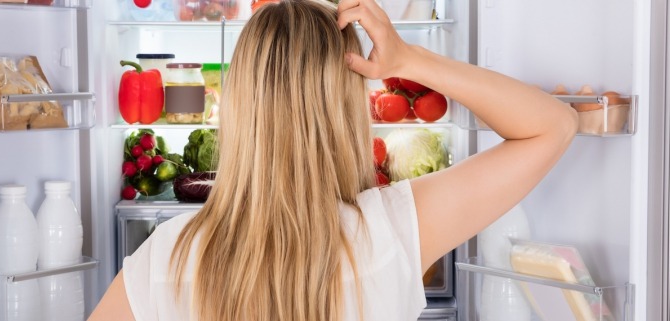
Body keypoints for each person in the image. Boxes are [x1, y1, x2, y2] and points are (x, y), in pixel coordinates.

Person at [90, 0, 578, 320]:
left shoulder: (167, 256)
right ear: (346, 109)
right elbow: (553, 125)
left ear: (240, 105)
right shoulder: (394, 230)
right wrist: (408, 60)